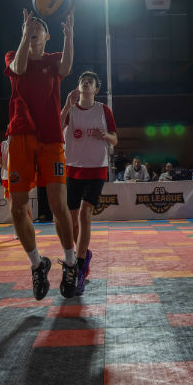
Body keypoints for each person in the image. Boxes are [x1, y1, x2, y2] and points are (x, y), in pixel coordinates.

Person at [4, 9, 80, 299]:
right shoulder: (13, 56)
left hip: (50, 138)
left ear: (47, 35)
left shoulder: (53, 60)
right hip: (20, 137)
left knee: (58, 205)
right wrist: (25, 35)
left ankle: (70, 262)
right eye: (29, 24)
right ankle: (37, 264)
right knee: (17, 207)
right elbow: (19, 69)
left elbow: (67, 67)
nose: (33, 27)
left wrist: (69, 35)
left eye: (38, 26)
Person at [60, 70, 117, 295]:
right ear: (78, 87)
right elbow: (56, 127)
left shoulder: (104, 110)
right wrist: (66, 105)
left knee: (85, 213)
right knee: (72, 219)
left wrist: (106, 136)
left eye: (90, 81)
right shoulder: (71, 109)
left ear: (96, 89)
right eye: (83, 81)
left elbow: (115, 139)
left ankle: (80, 265)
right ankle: (83, 252)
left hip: (97, 168)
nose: (86, 83)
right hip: (73, 168)